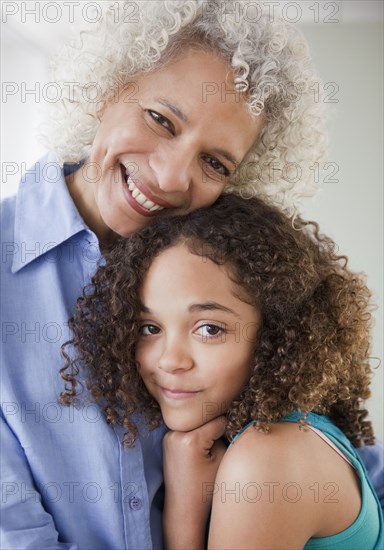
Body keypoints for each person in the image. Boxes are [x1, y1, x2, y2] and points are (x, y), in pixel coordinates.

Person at [1, 0, 382, 548]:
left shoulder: (228, 274)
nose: (172, 176)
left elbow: (350, 464)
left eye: (215, 163)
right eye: (161, 119)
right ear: (110, 87)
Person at [61, 194, 383, 549]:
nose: (170, 361)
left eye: (209, 329)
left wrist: (183, 510)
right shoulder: (278, 434)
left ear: (277, 333)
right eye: (149, 328)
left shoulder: (267, 460)